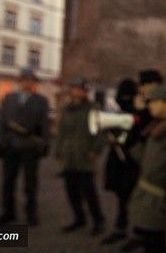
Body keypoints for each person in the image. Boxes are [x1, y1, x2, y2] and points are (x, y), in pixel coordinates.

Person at [0, 67, 50, 226]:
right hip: (10, 145)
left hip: (30, 146)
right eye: (24, 80)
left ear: (34, 83)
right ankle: (8, 212)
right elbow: (2, 122)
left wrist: (45, 144)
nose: (27, 83)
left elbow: (44, 125)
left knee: (30, 183)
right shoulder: (9, 98)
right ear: (19, 81)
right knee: (8, 181)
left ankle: (31, 213)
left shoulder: (41, 100)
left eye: (30, 80)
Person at [126, 84, 166, 253]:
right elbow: (146, 160)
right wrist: (132, 144)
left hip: (159, 202)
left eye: (154, 101)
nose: (150, 106)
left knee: (157, 243)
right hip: (147, 199)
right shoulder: (155, 126)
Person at [55, 77, 105, 235]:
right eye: (74, 89)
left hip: (85, 155)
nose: (76, 92)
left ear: (85, 92)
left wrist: (96, 150)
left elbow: (99, 132)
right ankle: (79, 218)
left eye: (80, 89)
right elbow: (61, 132)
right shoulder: (66, 109)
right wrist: (58, 151)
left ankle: (98, 220)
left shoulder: (93, 108)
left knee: (89, 191)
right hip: (69, 155)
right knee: (71, 191)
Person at [100, 78, 144, 245]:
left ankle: (137, 231)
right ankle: (122, 228)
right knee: (122, 198)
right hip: (119, 162)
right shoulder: (120, 115)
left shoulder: (138, 115)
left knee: (134, 199)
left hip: (132, 162)